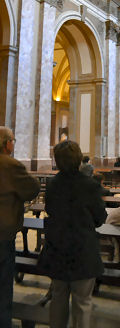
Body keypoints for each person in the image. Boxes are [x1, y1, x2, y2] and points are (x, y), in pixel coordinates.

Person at [38, 140, 107, 328]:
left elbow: (50, 209)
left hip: (57, 246)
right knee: (83, 301)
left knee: (58, 297)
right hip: (82, 249)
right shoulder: (90, 185)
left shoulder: (52, 184)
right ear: (78, 159)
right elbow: (100, 217)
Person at [0, 126, 40, 328]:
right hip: (2, 234)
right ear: (7, 143)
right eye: (13, 141)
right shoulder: (10, 165)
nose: (13, 144)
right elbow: (32, 189)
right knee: (3, 286)